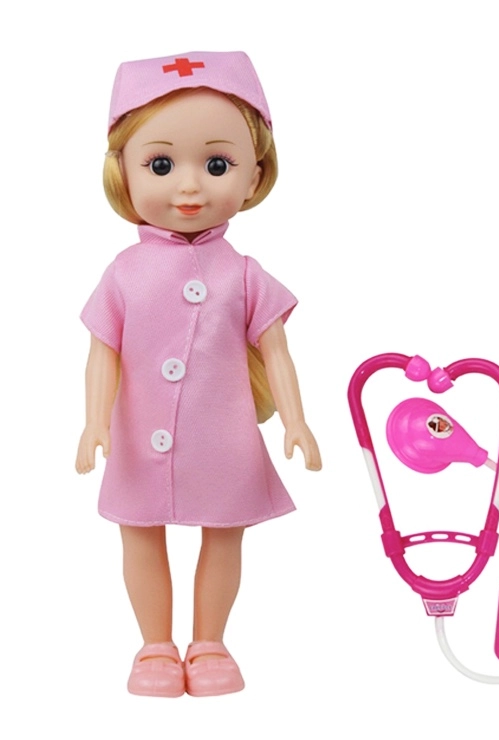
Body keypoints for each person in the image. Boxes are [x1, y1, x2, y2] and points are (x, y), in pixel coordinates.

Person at [75, 51, 321, 698]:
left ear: (254, 174)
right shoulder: (123, 274)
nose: (189, 188)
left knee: (224, 535)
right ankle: (155, 646)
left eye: (217, 165)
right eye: (160, 165)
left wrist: (295, 421)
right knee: (139, 535)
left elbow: (277, 351)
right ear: (123, 171)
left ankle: (210, 642)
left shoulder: (244, 274)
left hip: (223, 436)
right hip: (137, 434)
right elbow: (102, 351)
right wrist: (94, 423)